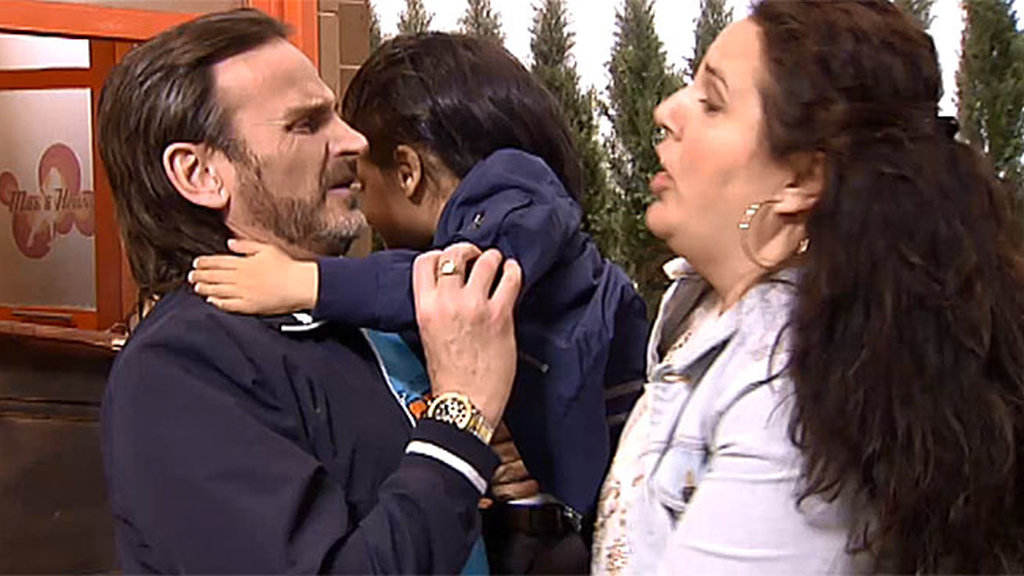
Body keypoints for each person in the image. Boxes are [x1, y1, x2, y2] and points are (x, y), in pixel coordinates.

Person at [414, 0, 1024, 574]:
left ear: (801, 180)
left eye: (712, 102)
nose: (666, 112)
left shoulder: (787, 386)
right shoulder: (700, 314)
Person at [188, 32, 649, 573]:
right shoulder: (187, 361)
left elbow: (450, 283)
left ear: (407, 172)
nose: (349, 162)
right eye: (305, 124)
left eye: (363, 184)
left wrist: (303, 282)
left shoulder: (512, 209)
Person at [97, 9, 524, 573]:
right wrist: (461, 417)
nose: (353, 141)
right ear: (200, 174)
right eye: (306, 124)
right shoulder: (178, 373)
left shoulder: (351, 322)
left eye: (336, 115)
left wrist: (509, 481)